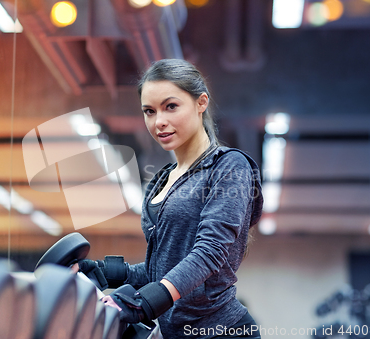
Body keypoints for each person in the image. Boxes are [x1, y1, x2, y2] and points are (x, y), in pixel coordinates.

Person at [78, 59, 263, 338]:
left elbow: (210, 252)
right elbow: (161, 269)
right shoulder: (160, 181)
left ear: (201, 103)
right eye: (149, 111)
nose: (159, 121)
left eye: (171, 106)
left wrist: (144, 304)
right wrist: (106, 272)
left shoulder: (229, 166)